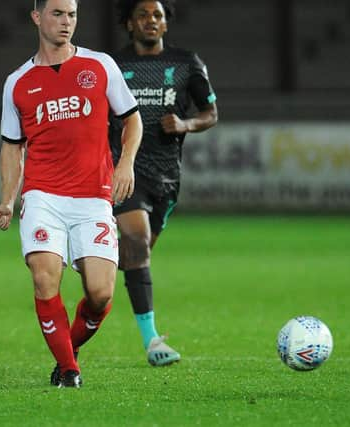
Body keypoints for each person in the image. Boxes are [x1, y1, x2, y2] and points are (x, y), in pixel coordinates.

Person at [0, 0, 142, 388]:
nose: (66, 22)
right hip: (43, 196)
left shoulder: (100, 65)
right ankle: (69, 371)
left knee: (100, 294)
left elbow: (132, 120)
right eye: (57, 13)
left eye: (72, 14)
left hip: (94, 195)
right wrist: (9, 198)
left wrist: (125, 164)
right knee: (44, 279)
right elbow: (11, 146)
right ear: (37, 17)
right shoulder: (18, 82)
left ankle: (66, 354)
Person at [110, 0, 218, 366]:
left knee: (131, 259)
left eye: (157, 15)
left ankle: (91, 289)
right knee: (137, 241)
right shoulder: (113, 67)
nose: (150, 21)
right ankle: (152, 341)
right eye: (142, 15)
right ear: (129, 23)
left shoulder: (188, 63)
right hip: (124, 170)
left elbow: (210, 113)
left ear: (166, 24)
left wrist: (186, 125)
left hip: (167, 177)